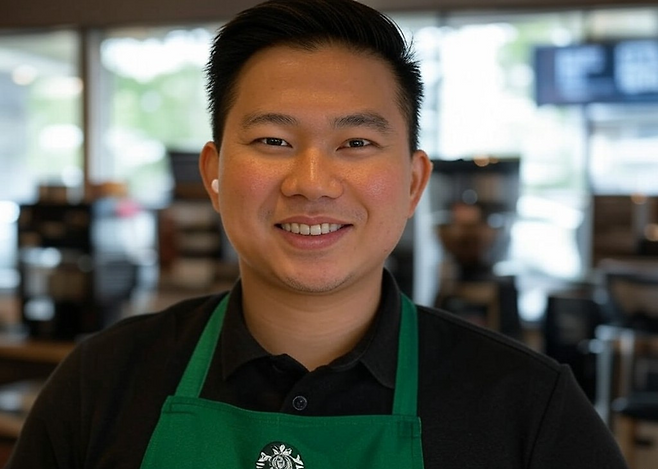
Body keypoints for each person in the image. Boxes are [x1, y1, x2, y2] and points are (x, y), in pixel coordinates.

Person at [8, 1, 628, 468]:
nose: (311, 183)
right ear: (213, 175)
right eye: (273, 140)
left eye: (355, 142)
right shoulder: (100, 382)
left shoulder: (529, 408)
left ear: (414, 183)